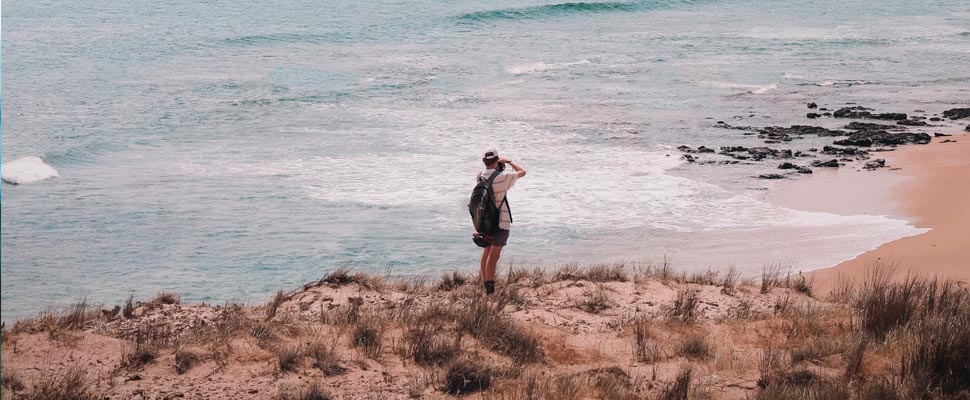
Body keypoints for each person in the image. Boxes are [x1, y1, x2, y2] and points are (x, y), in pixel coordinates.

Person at [477, 149, 526, 295]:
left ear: (484, 161)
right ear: (497, 160)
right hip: (500, 221)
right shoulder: (503, 177)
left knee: (486, 252)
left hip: (485, 221)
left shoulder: (480, 175)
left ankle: (486, 286)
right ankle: (490, 292)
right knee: (494, 257)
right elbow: (522, 172)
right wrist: (509, 161)